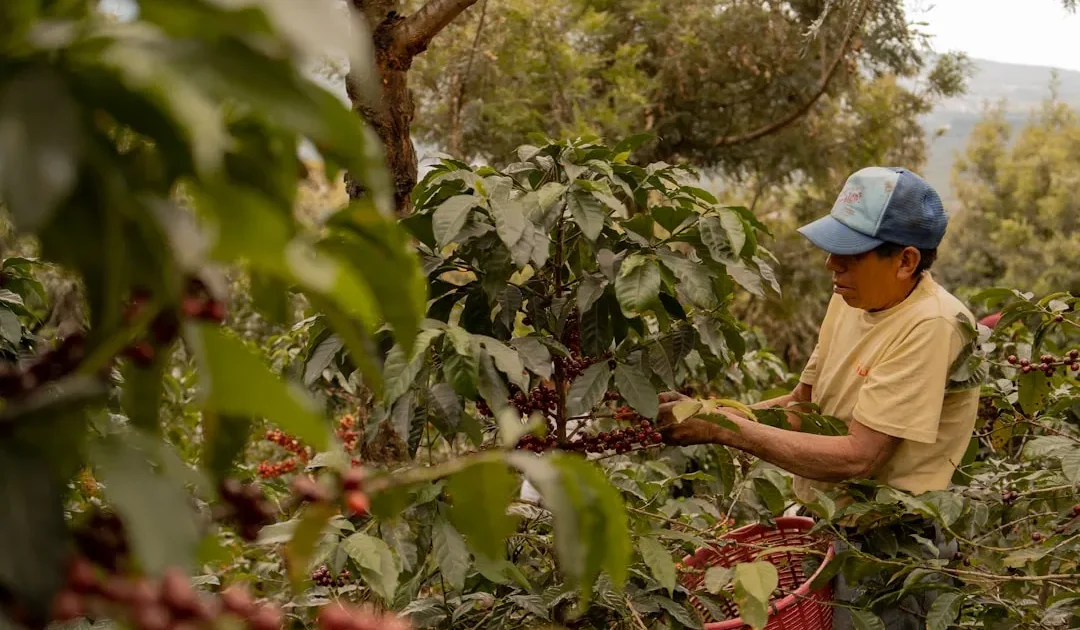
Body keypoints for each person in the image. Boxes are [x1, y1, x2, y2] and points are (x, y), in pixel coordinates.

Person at [657, 167, 980, 630]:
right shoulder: (850, 298)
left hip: (889, 550)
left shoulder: (931, 325)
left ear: (906, 261)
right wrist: (709, 412)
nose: (832, 264)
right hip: (828, 527)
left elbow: (858, 457)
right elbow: (801, 409)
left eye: (849, 254)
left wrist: (721, 430)